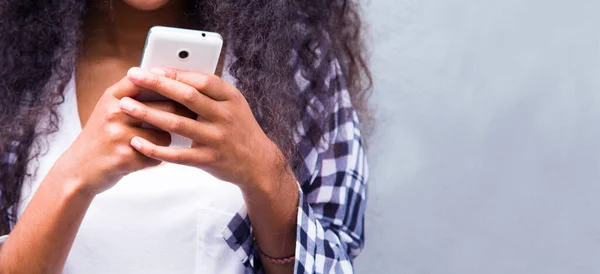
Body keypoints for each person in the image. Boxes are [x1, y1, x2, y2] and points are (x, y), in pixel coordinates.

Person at [0, 0, 371, 273]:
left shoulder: (298, 58)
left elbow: (337, 258)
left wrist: (265, 174)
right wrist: (71, 179)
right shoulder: (11, 62)